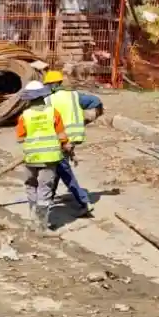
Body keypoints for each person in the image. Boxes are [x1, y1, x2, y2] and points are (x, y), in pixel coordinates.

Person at [43, 70, 103, 217]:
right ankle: (49, 198)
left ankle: (83, 202)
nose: (47, 87)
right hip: (74, 136)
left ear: (53, 84)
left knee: (64, 171)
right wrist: (91, 117)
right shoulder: (74, 95)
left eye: (48, 85)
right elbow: (96, 101)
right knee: (58, 168)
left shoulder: (48, 100)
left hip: (61, 139)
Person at [15, 81, 71, 232]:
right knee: (45, 189)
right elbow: (61, 135)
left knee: (31, 186)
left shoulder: (24, 116)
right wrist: (66, 145)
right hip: (50, 158)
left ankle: (33, 217)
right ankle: (41, 225)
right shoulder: (53, 113)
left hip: (32, 158)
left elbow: (20, 138)